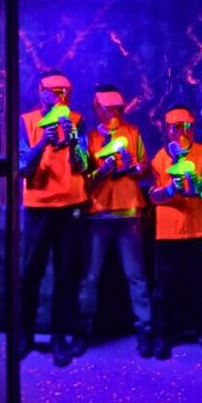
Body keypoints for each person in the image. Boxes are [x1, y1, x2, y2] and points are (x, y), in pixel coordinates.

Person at [72, 84, 153, 358]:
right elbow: (83, 178)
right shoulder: (89, 138)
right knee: (89, 277)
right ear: (97, 108)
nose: (114, 112)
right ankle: (83, 331)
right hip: (98, 214)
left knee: (136, 276)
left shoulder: (132, 132)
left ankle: (145, 330)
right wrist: (103, 171)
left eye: (117, 108)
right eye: (108, 108)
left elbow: (144, 168)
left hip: (129, 213)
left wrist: (133, 166)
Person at [19, 70, 89, 367]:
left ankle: (60, 336)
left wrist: (72, 143)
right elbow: (21, 167)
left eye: (65, 91)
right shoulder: (26, 121)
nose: (60, 96)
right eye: (54, 91)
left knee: (66, 273)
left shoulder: (77, 120)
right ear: (41, 92)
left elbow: (84, 165)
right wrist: (42, 144)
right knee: (30, 272)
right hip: (37, 204)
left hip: (71, 204)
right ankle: (25, 334)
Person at [149, 105, 202, 360]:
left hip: (198, 231)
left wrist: (197, 188)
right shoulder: (159, 158)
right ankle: (162, 335)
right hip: (168, 233)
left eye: (186, 126)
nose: (181, 132)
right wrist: (169, 190)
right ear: (166, 129)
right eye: (175, 127)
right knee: (164, 289)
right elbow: (153, 195)